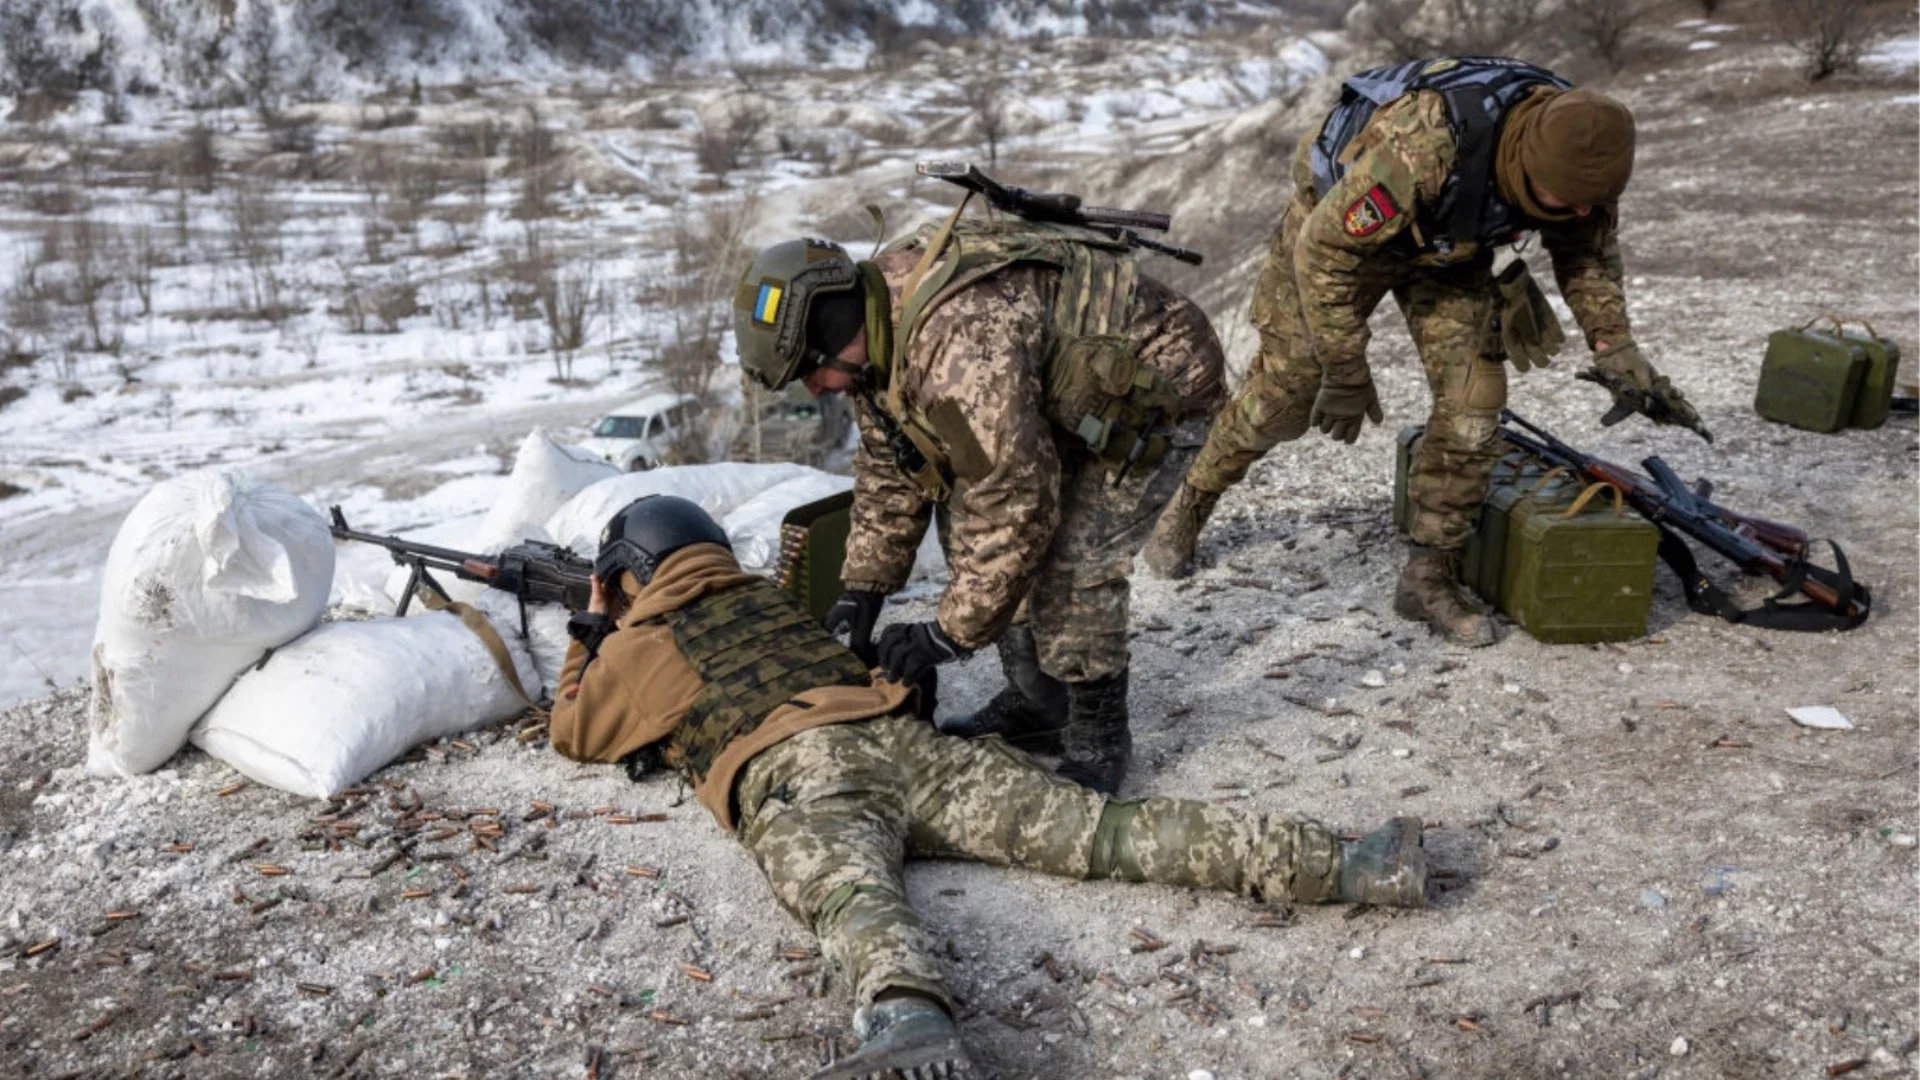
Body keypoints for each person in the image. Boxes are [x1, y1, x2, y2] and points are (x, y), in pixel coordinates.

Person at [550, 495, 1428, 1080]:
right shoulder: (773, 606)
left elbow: (574, 731)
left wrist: (589, 633)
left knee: (852, 895)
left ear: (627, 574)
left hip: (800, 776)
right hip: (905, 743)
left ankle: (908, 1019)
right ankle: (1351, 862)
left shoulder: (636, 646)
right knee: (1102, 830)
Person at [1141, 56, 1711, 646]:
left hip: (1451, 253)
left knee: (1475, 404)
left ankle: (1428, 573)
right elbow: (1325, 253)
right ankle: (1192, 500)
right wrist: (1344, 366)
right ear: (1525, 162)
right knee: (1287, 394)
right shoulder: (1425, 144)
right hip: (1338, 244)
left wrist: (1612, 341)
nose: (1577, 214)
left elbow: (1586, 253)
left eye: (1587, 205)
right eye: (1562, 203)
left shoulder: (1585, 166)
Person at [730, 212, 1226, 793]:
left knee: (1071, 561)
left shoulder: (955, 341)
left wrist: (947, 634)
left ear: (834, 329)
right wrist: (862, 590)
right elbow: (894, 463)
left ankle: (1098, 734)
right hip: (1056, 395)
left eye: (811, 371)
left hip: (1160, 384)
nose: (814, 389)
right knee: (972, 521)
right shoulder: (875, 342)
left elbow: (1017, 508)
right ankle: (1041, 706)